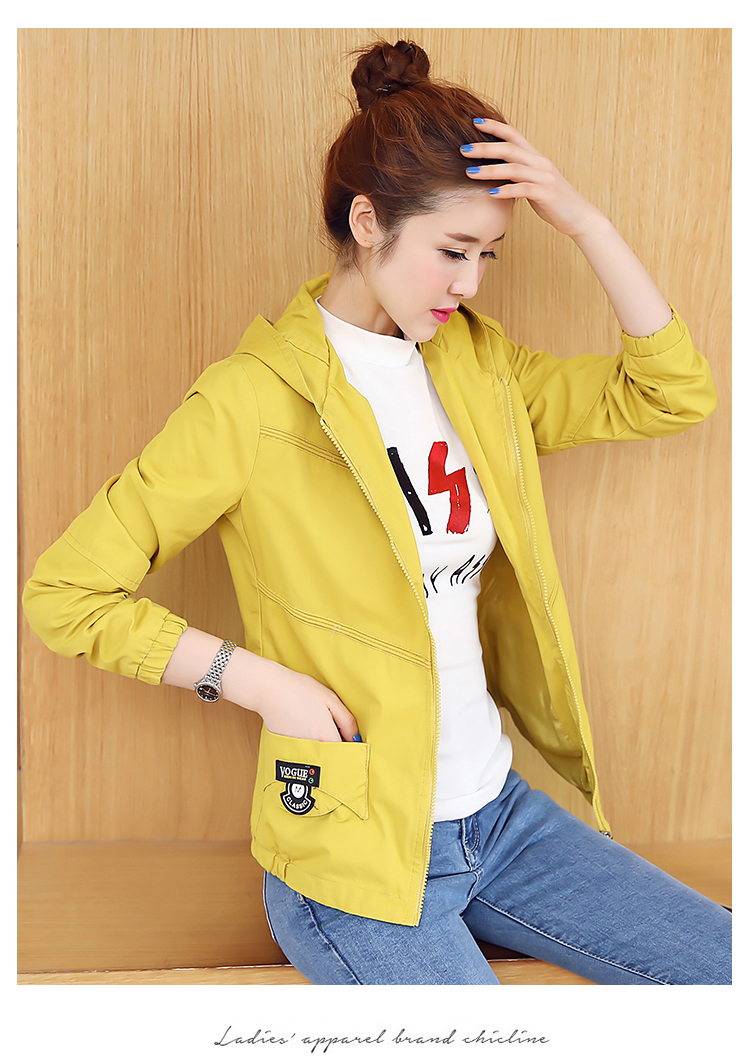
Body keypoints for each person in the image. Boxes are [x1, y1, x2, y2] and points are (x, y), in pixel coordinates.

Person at [22, 38, 731, 985]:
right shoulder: (252, 399)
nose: (470, 283)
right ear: (367, 221)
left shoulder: (477, 367)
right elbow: (66, 594)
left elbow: (669, 393)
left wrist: (585, 222)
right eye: (451, 251)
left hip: (501, 819)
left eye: (487, 254)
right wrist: (254, 682)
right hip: (351, 848)